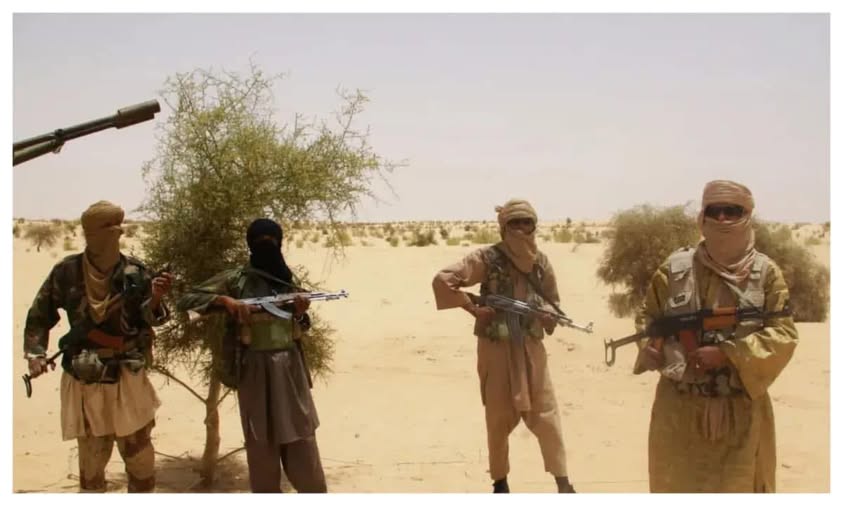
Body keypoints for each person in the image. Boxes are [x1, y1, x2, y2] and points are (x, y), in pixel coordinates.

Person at [634, 180, 798, 492]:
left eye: (731, 211)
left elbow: (784, 334)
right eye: (714, 211)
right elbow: (648, 317)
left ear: (747, 215)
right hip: (678, 413)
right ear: (702, 216)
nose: (722, 219)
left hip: (740, 414)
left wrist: (729, 353)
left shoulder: (766, 273)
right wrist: (650, 347)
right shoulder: (675, 268)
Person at [23, 200, 173, 492]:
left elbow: (152, 318)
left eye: (118, 226)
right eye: (107, 226)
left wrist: (155, 298)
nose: (115, 232)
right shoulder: (66, 272)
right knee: (91, 466)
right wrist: (36, 354)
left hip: (128, 377)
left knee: (140, 462)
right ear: (90, 234)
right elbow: (39, 316)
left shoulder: (135, 273)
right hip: (85, 379)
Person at [431, 198, 575, 493]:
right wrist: (473, 308)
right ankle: (500, 483)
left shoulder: (542, 262)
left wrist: (549, 317)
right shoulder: (487, 258)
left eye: (527, 223)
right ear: (503, 228)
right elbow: (444, 280)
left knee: (546, 414)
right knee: (497, 417)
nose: (521, 230)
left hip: (531, 350)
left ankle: (563, 483)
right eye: (514, 223)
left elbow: (553, 304)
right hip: (496, 349)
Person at [177, 218, 326, 493]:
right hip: (253, 369)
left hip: (291, 369)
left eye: (272, 242)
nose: (267, 248)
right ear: (250, 246)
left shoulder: (286, 279)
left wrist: (301, 311)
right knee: (261, 444)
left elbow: (301, 325)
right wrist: (225, 301)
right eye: (261, 243)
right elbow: (186, 300)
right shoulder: (236, 278)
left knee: (302, 441)